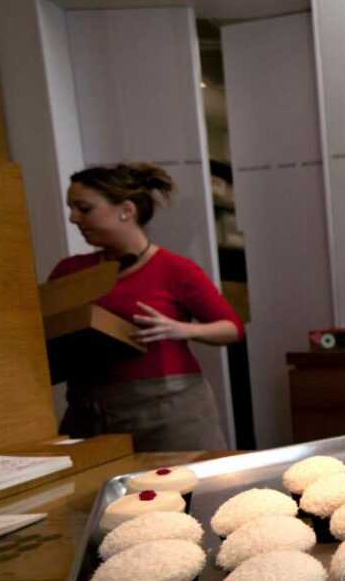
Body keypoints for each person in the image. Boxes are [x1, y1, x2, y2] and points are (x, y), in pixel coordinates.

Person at [48, 162, 244, 451]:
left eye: (84, 208)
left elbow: (232, 329)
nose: (73, 218)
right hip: (89, 416)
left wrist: (180, 329)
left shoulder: (176, 269)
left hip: (169, 415)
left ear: (126, 210)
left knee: (188, 481)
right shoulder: (70, 272)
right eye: (71, 208)